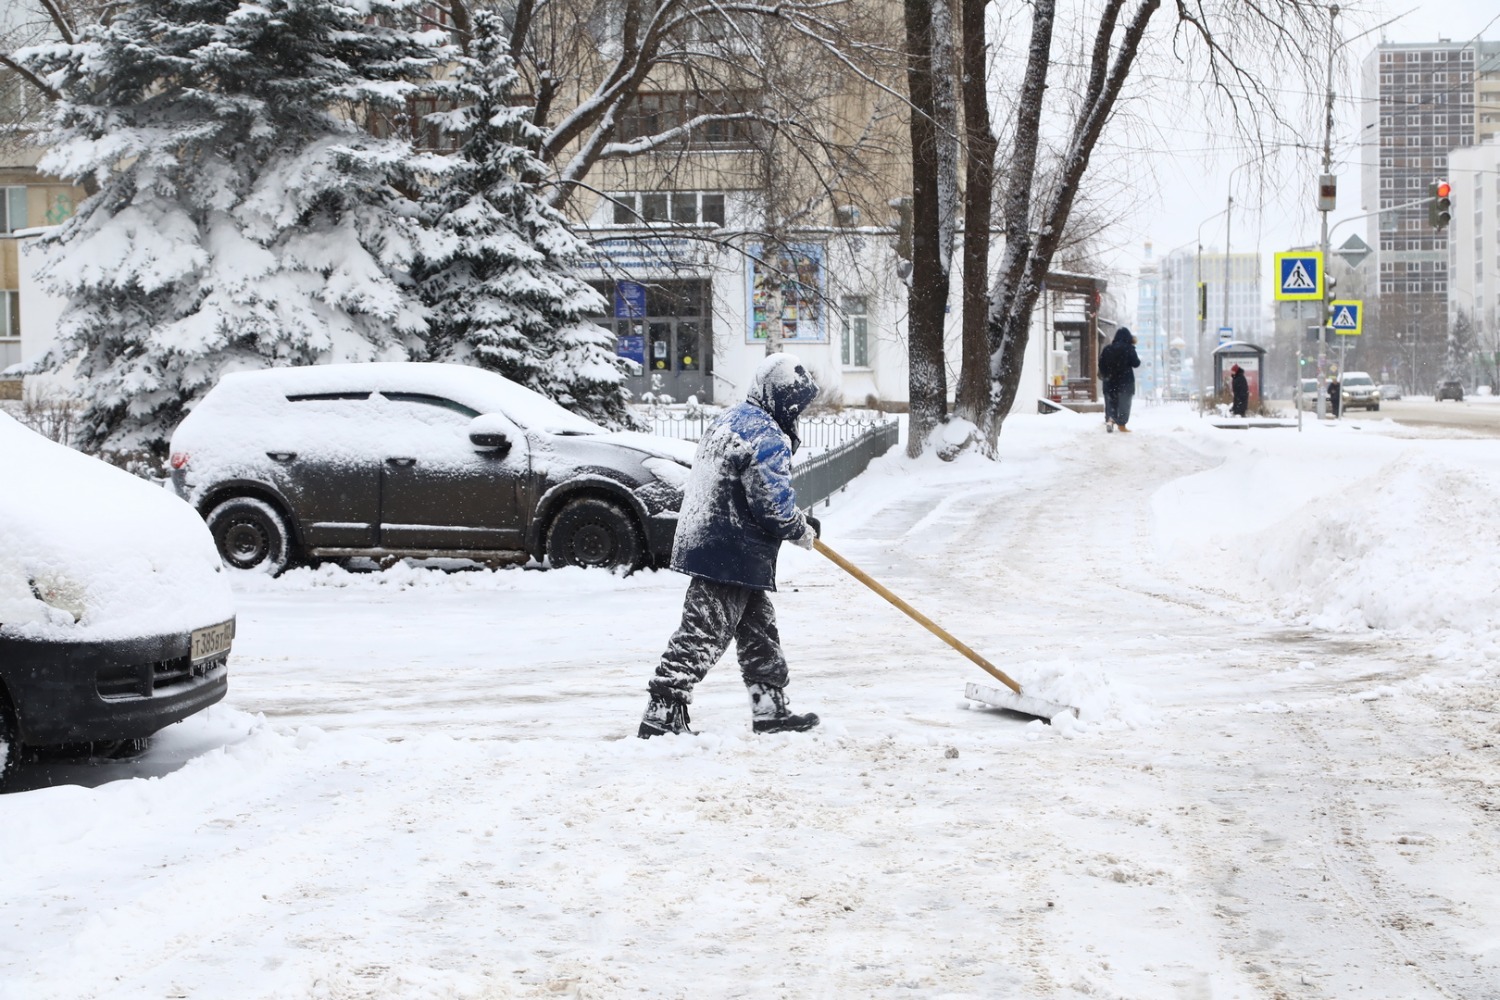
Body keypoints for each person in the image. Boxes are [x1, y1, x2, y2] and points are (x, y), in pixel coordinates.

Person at [638, 352, 823, 739]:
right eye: (796, 405)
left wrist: (796, 520)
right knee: (703, 630)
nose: (797, 414)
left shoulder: (734, 419)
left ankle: (769, 708)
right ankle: (662, 711)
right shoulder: (767, 435)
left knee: (759, 629)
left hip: (715, 540)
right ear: (782, 399)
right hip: (731, 549)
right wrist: (799, 528)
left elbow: (749, 489)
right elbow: (773, 507)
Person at [1098, 327, 1141, 433]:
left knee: (1111, 402)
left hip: (1109, 381)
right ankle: (1122, 425)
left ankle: (1110, 419)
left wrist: (1107, 374)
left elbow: (1101, 365)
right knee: (1124, 404)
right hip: (1125, 382)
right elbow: (1136, 363)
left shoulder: (1107, 349)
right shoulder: (1129, 348)